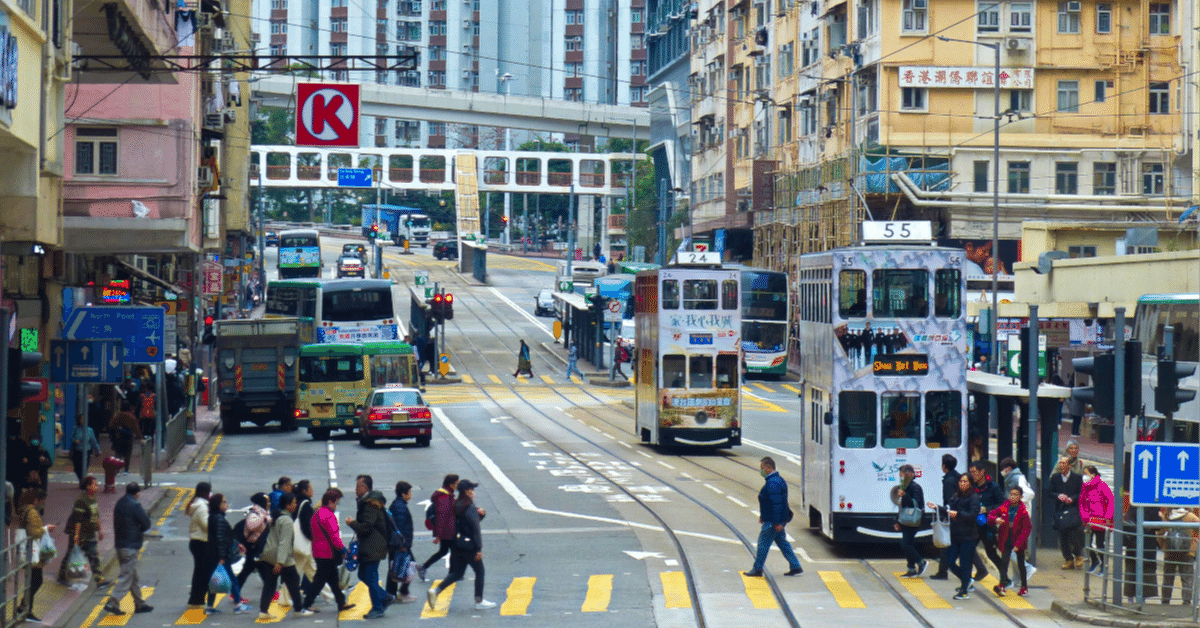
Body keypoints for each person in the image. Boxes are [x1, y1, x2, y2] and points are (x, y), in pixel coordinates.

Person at [426, 479, 495, 610]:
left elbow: (462, 522)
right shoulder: (469, 507)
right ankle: (479, 601)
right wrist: (479, 549)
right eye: (472, 489)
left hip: (456, 544)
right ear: (466, 491)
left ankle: (435, 591)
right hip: (469, 546)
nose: (473, 492)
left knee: (457, 573)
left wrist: (479, 515)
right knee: (480, 571)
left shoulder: (456, 504)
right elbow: (475, 529)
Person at [743, 457, 803, 578]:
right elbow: (771, 503)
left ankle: (757, 568)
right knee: (782, 543)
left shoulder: (773, 483)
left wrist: (777, 522)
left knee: (763, 543)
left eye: (762, 468)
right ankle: (795, 566)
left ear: (769, 468)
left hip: (773, 521)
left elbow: (776, 504)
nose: (761, 471)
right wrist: (763, 516)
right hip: (774, 519)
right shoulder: (775, 480)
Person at [104, 483, 154, 615]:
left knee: (132, 575)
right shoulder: (135, 505)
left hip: (120, 545)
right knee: (126, 576)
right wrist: (140, 529)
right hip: (131, 545)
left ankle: (140, 604)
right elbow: (146, 523)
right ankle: (112, 602)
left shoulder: (119, 503)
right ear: (137, 493)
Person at [301, 488, 354, 613]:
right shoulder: (329, 516)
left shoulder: (317, 513)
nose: (337, 506)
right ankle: (307, 604)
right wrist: (343, 550)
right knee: (320, 581)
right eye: (337, 502)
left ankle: (341, 602)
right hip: (327, 553)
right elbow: (334, 537)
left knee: (333, 579)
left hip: (318, 551)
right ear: (330, 502)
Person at [928, 474, 980, 600]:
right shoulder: (955, 496)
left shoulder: (974, 497)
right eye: (961, 481)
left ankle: (964, 590)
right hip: (955, 535)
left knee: (965, 564)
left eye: (965, 481)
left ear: (970, 483)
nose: (962, 483)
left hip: (968, 536)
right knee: (950, 562)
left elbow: (973, 515)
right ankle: (966, 580)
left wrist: (958, 514)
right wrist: (937, 508)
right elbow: (948, 510)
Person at [258, 493, 304, 621]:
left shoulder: (276, 516)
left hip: (268, 555)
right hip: (281, 558)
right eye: (294, 503)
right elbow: (284, 542)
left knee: (270, 584)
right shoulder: (287, 520)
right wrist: (280, 562)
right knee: (294, 580)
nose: (295, 505)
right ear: (288, 505)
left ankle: (263, 611)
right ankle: (299, 609)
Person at [57, 476, 109, 587]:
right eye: (94, 484)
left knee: (93, 555)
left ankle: (99, 579)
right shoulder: (81, 500)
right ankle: (61, 577)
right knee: (71, 553)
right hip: (79, 533)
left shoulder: (92, 498)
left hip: (89, 532)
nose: (97, 486)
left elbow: (96, 516)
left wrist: (99, 530)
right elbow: (77, 519)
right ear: (88, 486)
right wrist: (76, 535)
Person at [346, 491, 390, 619]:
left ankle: (377, 607)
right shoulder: (375, 507)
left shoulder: (370, 508)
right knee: (363, 575)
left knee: (370, 577)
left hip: (372, 547)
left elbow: (366, 528)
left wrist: (352, 523)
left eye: (359, 486)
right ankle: (384, 596)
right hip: (372, 546)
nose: (356, 489)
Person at [207, 494, 251, 613]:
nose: (227, 504)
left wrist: (237, 544)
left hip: (213, 554)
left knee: (214, 581)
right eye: (224, 502)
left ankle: (210, 607)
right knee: (233, 580)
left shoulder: (213, 517)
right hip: (220, 556)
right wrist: (222, 557)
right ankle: (238, 605)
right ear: (218, 505)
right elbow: (221, 539)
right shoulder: (219, 519)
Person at [15, 489, 55, 621]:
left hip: (27, 550)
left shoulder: (25, 510)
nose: (43, 503)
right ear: (35, 500)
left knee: (33, 581)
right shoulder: (32, 512)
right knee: (36, 581)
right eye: (42, 500)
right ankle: (25, 610)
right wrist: (46, 529)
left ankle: (24, 608)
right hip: (30, 552)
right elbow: (33, 532)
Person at [997, 458, 1037, 583]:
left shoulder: (1015, 479)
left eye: (1003, 469)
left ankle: (1027, 568)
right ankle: (1017, 576)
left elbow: (1029, 493)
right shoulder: (1014, 478)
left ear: (1008, 469)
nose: (1002, 472)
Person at [988, 487, 1032, 597]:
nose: (1013, 496)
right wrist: (995, 520)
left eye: (1016, 494)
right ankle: (1002, 585)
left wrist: (1019, 544)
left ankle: (1024, 586)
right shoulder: (1004, 507)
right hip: (1006, 539)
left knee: (1021, 564)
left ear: (1021, 497)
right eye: (1011, 494)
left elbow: (1026, 529)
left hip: (1018, 540)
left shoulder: (1023, 511)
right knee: (1004, 562)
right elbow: (990, 516)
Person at [968, 461, 1005, 582]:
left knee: (991, 553)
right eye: (971, 472)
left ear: (982, 472)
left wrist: (987, 509)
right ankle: (971, 577)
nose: (972, 475)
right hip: (974, 524)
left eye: (974, 472)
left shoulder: (993, 487)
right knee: (968, 548)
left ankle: (1004, 576)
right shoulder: (972, 487)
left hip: (987, 524)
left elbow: (1002, 504)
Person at [420, 474, 460, 581]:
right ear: (451, 485)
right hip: (447, 531)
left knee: (444, 551)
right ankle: (452, 574)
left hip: (448, 529)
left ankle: (424, 567)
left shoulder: (447, 495)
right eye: (456, 483)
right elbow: (442, 517)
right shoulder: (444, 498)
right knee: (454, 551)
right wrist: (438, 535)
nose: (458, 485)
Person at [1048, 457, 1085, 569]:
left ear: (1069, 465)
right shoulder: (1055, 477)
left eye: (1064, 463)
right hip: (1060, 510)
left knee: (1075, 533)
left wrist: (1072, 498)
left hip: (1073, 509)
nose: (1061, 466)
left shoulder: (1077, 478)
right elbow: (1050, 492)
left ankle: (1078, 555)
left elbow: (1081, 492)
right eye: (1060, 463)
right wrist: (1058, 496)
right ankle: (1068, 559)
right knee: (1062, 535)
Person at [1157, 507, 1198, 605]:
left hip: (1169, 552)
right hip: (1187, 553)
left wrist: (1164, 547)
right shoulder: (1191, 517)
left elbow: (1159, 534)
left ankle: (1165, 601)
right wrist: (1193, 546)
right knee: (1187, 577)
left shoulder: (1166, 516)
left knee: (1168, 577)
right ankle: (1186, 601)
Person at [1078, 465, 1114, 574]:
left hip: (1101, 521)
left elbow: (1110, 501)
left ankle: (1103, 564)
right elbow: (1082, 503)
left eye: (1086, 473)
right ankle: (1095, 561)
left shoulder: (1102, 486)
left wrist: (1108, 517)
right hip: (1089, 520)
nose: (1085, 476)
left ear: (1093, 474)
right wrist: (1084, 517)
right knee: (1085, 542)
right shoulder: (1085, 487)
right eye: (1084, 473)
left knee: (1100, 544)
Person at [893, 464, 927, 577]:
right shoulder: (903, 487)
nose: (901, 477)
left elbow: (915, 503)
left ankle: (921, 562)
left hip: (914, 519)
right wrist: (897, 521)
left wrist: (905, 495)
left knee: (905, 543)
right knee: (908, 543)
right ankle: (911, 568)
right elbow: (899, 505)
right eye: (900, 475)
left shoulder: (915, 487)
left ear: (909, 474)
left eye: (902, 475)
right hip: (905, 519)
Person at [930, 454, 961, 580]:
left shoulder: (948, 481)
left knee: (945, 545)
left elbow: (950, 501)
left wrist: (943, 511)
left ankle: (943, 572)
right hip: (958, 515)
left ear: (944, 466)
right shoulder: (957, 477)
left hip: (951, 516)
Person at [386, 481, 416, 604]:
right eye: (409, 492)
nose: (411, 495)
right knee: (410, 564)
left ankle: (393, 593)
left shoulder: (398, 505)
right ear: (403, 493)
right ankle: (401, 592)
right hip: (400, 544)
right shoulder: (400, 507)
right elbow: (400, 528)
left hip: (397, 544)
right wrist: (403, 545)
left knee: (395, 567)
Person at [237, 493, 271, 592]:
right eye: (267, 501)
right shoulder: (255, 514)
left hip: (258, 547)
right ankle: (271, 592)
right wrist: (263, 516)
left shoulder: (263, 513)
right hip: (253, 547)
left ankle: (235, 593)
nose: (269, 503)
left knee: (252, 569)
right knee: (259, 570)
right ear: (262, 503)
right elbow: (251, 525)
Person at [185, 482, 212, 607]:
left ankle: (196, 599)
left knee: (200, 572)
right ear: (206, 492)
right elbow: (206, 525)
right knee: (202, 573)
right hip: (201, 542)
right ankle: (197, 599)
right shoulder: (202, 507)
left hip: (197, 542)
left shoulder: (198, 504)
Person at [290, 481, 319, 600]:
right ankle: (333, 594)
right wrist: (313, 539)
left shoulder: (297, 502)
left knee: (310, 572)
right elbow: (306, 526)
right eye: (310, 488)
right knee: (311, 572)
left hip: (299, 545)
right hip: (303, 545)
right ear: (305, 491)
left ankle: (332, 594)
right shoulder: (305, 505)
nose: (312, 490)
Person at [68, 417, 102, 488]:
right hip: (77, 450)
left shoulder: (90, 430)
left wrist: (97, 450)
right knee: (77, 468)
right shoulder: (76, 429)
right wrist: (74, 440)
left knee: (84, 467)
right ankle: (82, 479)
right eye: (81, 419)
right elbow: (71, 438)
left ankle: (82, 482)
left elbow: (93, 441)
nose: (82, 421)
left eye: (83, 419)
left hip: (86, 451)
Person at [107, 403, 141, 474]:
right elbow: (136, 428)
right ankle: (126, 470)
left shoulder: (118, 415)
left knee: (118, 453)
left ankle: (117, 469)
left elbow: (111, 425)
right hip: (129, 437)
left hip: (119, 436)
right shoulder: (131, 416)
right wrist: (139, 436)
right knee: (127, 454)